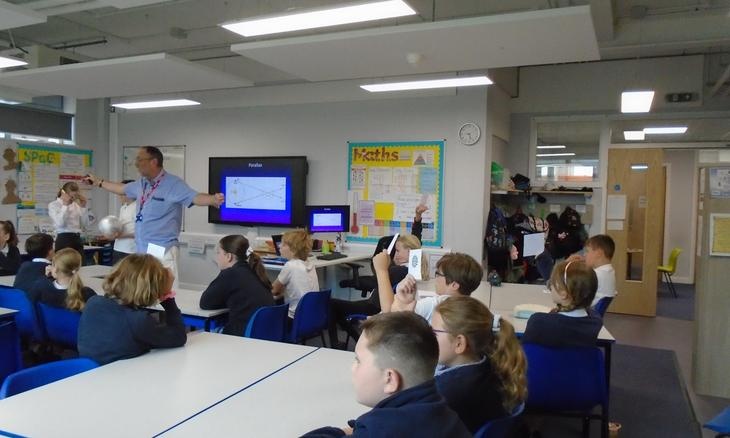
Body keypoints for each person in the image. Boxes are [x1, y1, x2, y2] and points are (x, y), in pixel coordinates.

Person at [302, 312, 470, 437]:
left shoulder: (380, 429)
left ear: (390, 379)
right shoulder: (443, 411)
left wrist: (345, 431)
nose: (352, 368)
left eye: (358, 360)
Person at [83, 146, 224, 284]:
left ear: (153, 162)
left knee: (165, 292)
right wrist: (98, 182)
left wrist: (212, 199)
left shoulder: (173, 184)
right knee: (143, 292)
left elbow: (195, 197)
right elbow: (121, 189)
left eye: (140, 159)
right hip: (142, 251)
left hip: (162, 250)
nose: (136, 164)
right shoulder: (141, 184)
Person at [327, 205, 427, 348]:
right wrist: (417, 218)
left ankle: (339, 342)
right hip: (377, 305)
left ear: (410, 252)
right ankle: (353, 335)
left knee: (330, 304)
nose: (395, 255)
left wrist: (352, 281)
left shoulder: (397, 271)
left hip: (373, 307)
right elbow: (416, 241)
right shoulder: (413, 269)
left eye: (398, 251)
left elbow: (373, 282)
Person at [432, 296, 527, 433]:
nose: (428, 337)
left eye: (434, 333)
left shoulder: (443, 395)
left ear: (459, 343)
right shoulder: (493, 367)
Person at [77, 254, 186, 365]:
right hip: (123, 373)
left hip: (89, 372)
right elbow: (179, 337)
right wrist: (167, 295)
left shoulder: (93, 302)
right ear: (151, 288)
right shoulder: (138, 320)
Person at [375, 251, 483, 324]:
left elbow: (388, 316)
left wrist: (381, 270)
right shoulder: (471, 307)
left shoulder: (436, 305)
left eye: (438, 274)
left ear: (454, 285)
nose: (435, 278)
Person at [199, 235, 275, 336]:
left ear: (228, 256)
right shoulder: (254, 270)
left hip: (243, 336)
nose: (217, 257)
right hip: (265, 334)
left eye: (218, 253)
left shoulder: (230, 274)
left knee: (200, 335)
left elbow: (205, 303)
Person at [522, 260, 602, 348]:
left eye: (552, 282)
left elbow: (525, 350)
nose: (550, 286)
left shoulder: (538, 321)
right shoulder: (595, 321)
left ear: (563, 293)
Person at [271, 229, 319, 320]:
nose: (279, 246)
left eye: (283, 244)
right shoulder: (311, 264)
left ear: (293, 249)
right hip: (312, 316)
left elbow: (273, 290)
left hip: (294, 318)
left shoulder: (290, 265)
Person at [569, 234, 616, 307]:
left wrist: (567, 263)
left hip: (582, 311)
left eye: (587, 251)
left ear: (599, 253)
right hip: (590, 311)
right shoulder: (609, 272)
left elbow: (566, 289)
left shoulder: (595, 275)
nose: (584, 255)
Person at [48, 181, 89, 254]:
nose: (73, 199)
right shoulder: (54, 205)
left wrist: (83, 207)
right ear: (63, 193)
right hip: (64, 239)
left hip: (77, 238)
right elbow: (60, 223)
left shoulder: (75, 205)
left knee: (80, 261)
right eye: (71, 196)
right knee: (65, 261)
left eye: (75, 196)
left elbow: (84, 224)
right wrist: (65, 205)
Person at [13, 233, 54, 300]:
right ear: (50, 251)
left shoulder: (24, 266)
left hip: (17, 303)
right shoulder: (52, 269)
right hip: (38, 305)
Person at [111, 179, 137, 264]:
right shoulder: (123, 207)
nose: (119, 195)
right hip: (118, 247)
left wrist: (121, 235)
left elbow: (140, 232)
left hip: (130, 250)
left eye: (122, 192)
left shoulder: (138, 207)